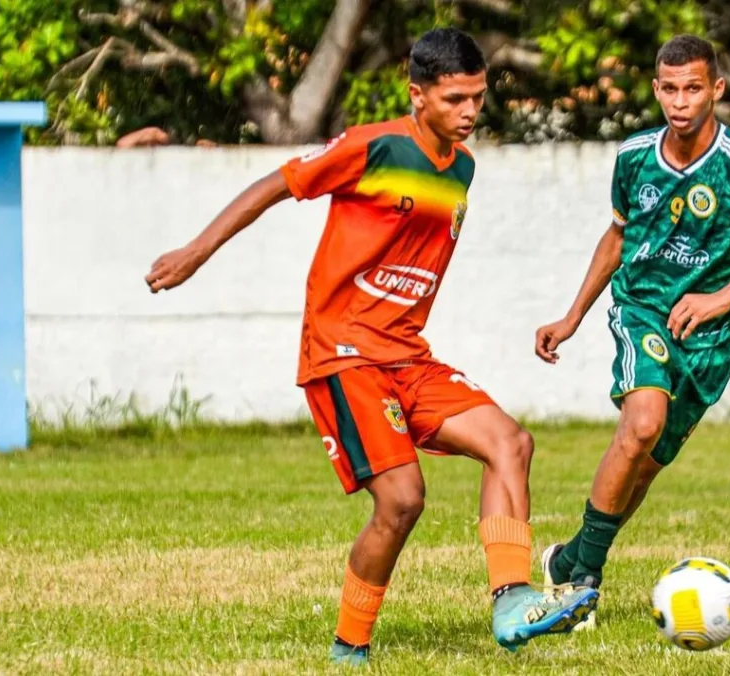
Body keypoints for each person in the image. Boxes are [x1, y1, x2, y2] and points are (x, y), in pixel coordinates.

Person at [145, 27, 597, 665]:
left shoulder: (463, 168)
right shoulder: (374, 146)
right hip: (344, 352)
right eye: (454, 99)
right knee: (403, 499)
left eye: (477, 98)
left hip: (408, 354)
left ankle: (512, 599)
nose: (469, 112)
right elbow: (278, 183)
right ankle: (348, 648)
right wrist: (196, 250)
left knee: (510, 442)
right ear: (417, 95)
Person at [535, 34, 730, 628]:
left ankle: (569, 560)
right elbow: (617, 237)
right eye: (669, 88)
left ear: (715, 88)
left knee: (647, 461)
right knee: (642, 423)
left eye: (693, 88)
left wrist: (724, 296)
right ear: (656, 88)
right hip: (642, 308)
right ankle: (582, 587)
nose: (680, 101)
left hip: (712, 336)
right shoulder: (635, 155)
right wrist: (572, 316)